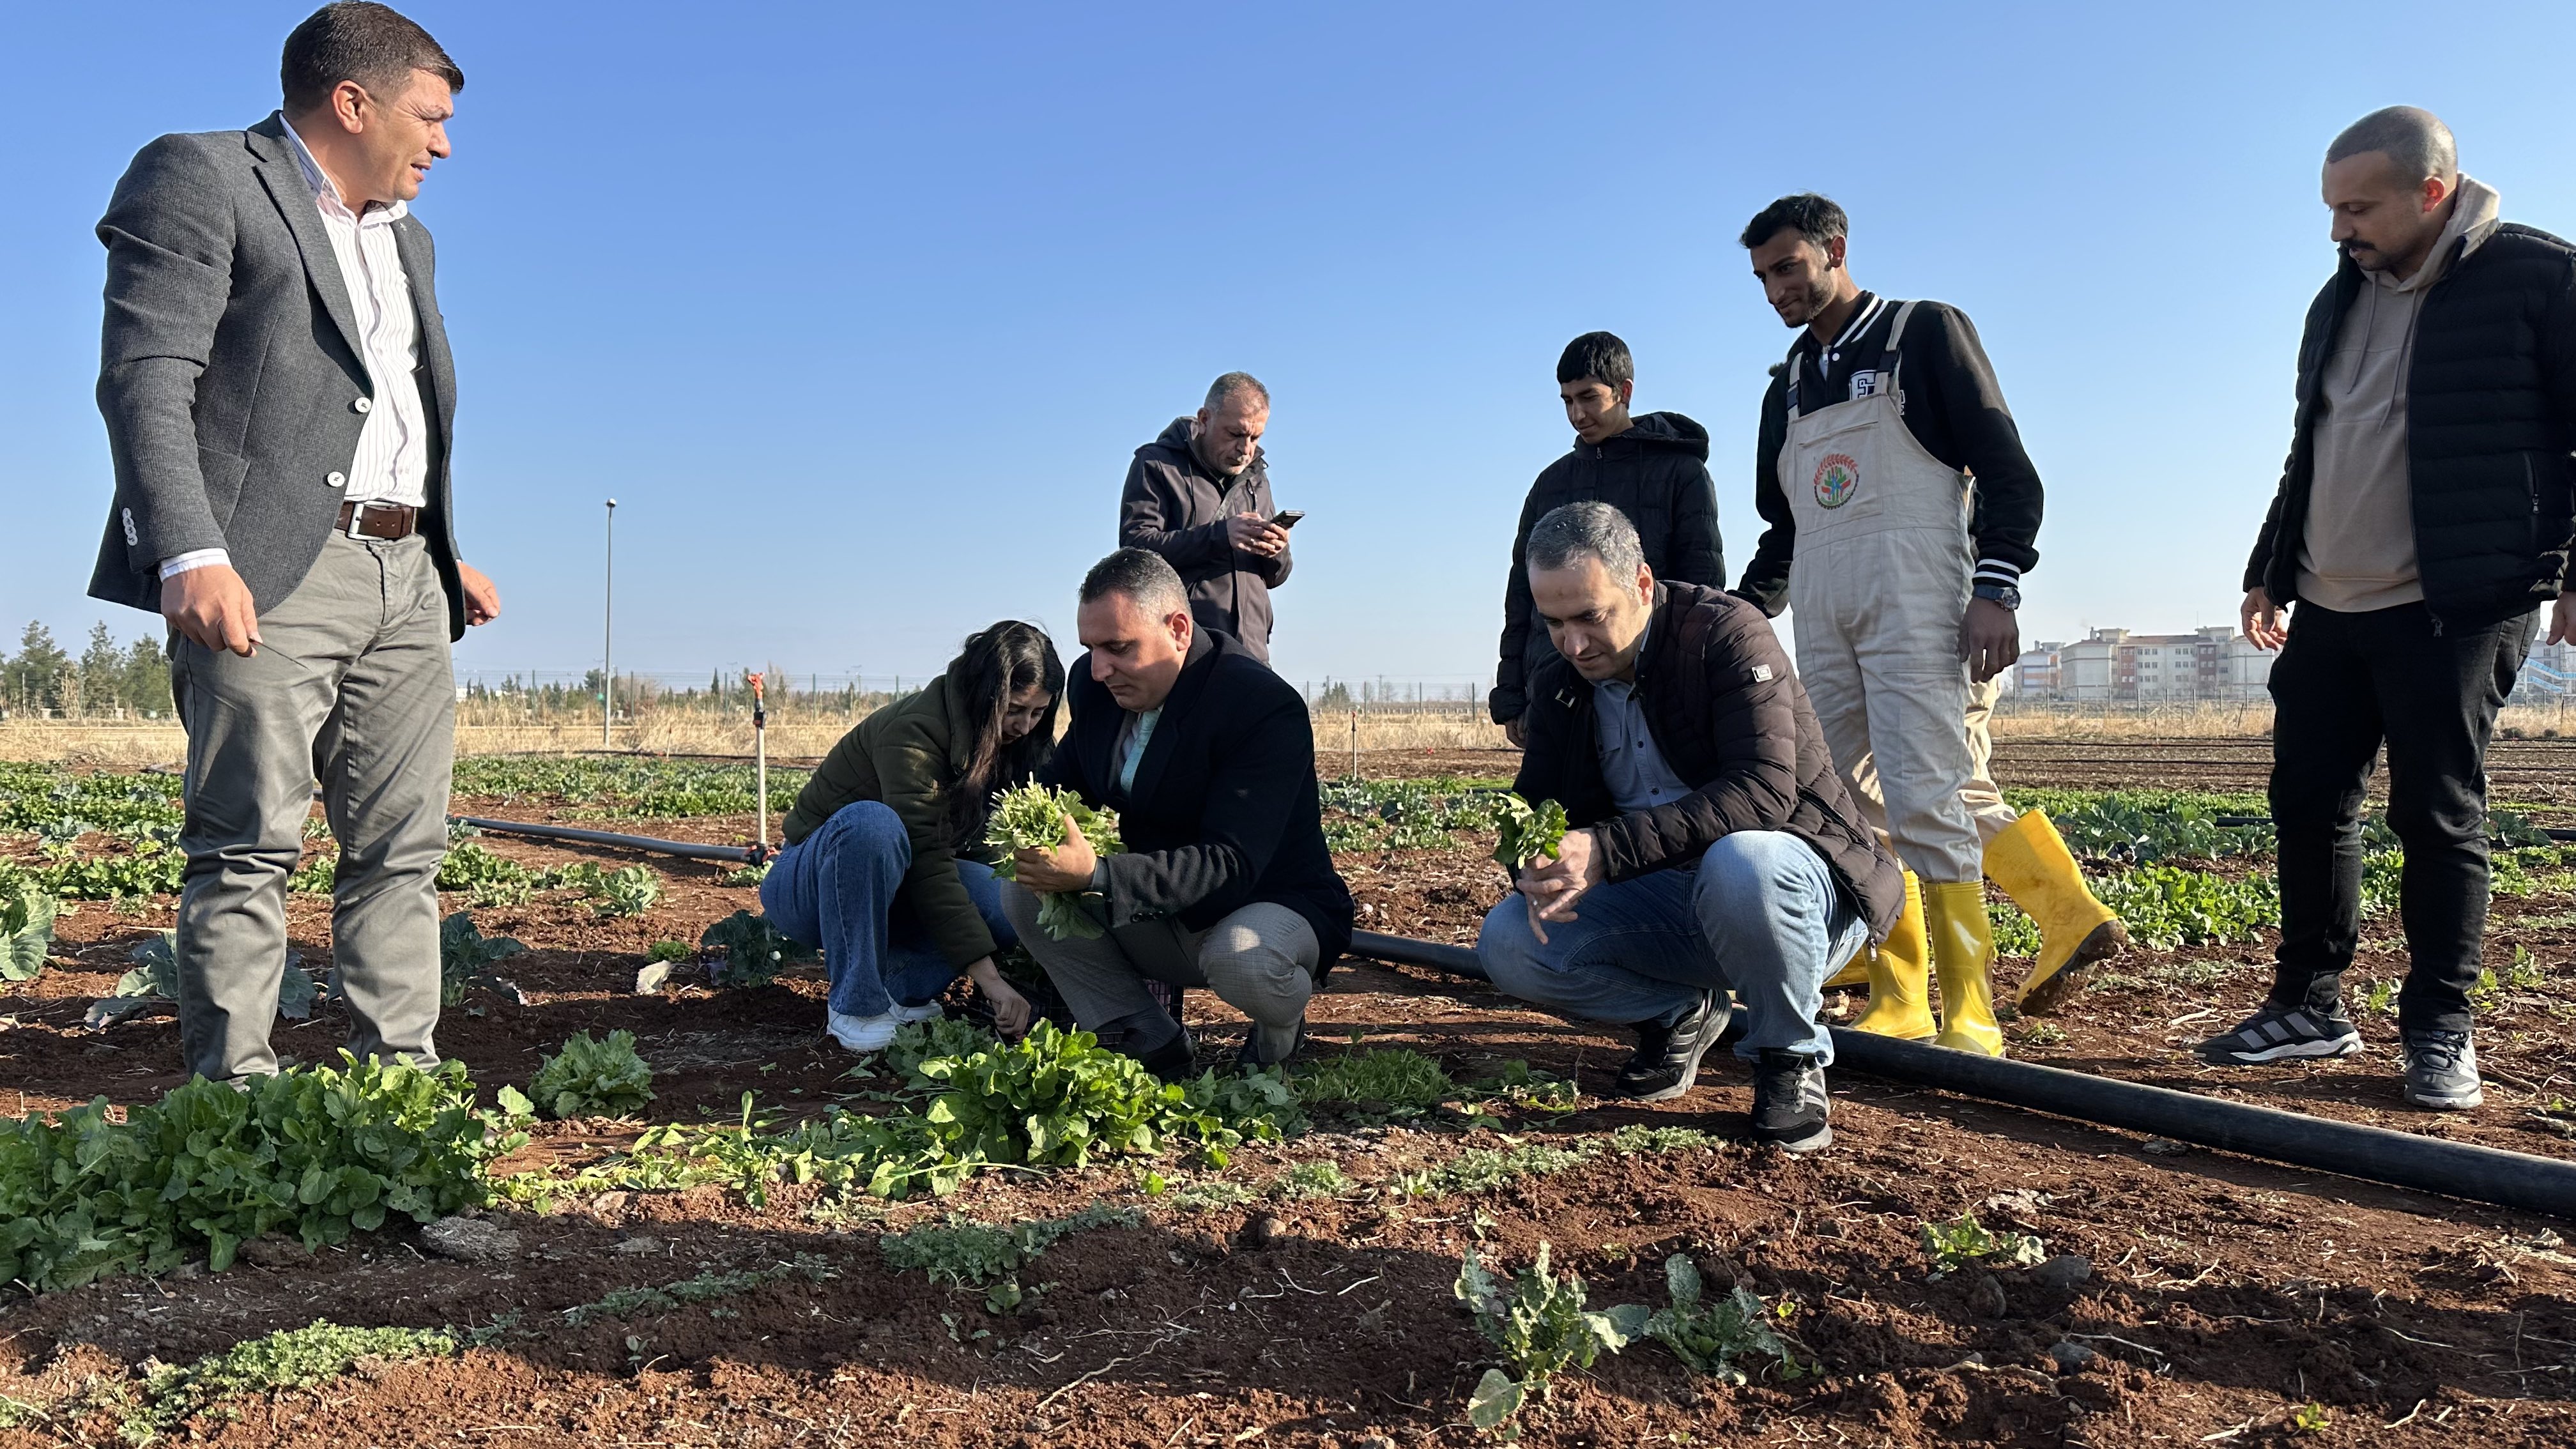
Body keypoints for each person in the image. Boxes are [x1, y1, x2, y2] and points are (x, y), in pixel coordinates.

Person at [88, 3, 499, 1084]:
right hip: (269, 570)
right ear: (352, 102)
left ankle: (396, 1093)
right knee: (246, 848)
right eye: (431, 116)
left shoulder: (408, 239)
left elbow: (388, 409)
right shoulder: (203, 176)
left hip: (406, 577)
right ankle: (237, 1103)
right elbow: (146, 376)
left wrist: (441, 548)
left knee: (404, 854)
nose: (444, 143)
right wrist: (188, 550)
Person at [2214, 107, 2576, 1111]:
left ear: (2433, 193)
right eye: (2332, 209)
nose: (2340, 231)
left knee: (2436, 811)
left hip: (2458, 599)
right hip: (2331, 599)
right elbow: (2316, 443)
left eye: (2358, 208)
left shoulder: (2542, 279)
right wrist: (2270, 564)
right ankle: (2310, 1005)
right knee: (2309, 803)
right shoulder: (2339, 298)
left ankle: (2440, 1029)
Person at [1732, 193, 2124, 1056]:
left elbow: (2012, 476)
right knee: (1843, 801)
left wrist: (1997, 587)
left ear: (1836, 249)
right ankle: (1902, 995)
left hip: (1918, 597)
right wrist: (1742, 616)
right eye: (1762, 277)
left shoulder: (1924, 334)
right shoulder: (1788, 387)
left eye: (1788, 268)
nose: (1775, 291)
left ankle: (1972, 1012)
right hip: (1826, 610)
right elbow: (1785, 530)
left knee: (1928, 796)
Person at [1475, 503, 1905, 1153]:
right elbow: (1536, 804)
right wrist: (1535, 863)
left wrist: (1604, 850)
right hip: (1676, 904)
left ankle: (1790, 1059)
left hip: (1799, 899)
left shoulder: (1726, 635)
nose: (1573, 644)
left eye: (1591, 617)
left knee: (1743, 862)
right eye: (1555, 622)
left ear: (1642, 586)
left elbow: (1764, 792)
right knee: (1509, 940)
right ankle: (1677, 1011)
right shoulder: (1561, 682)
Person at [1000, 549, 1355, 1076]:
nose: (1099, 669)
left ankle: (1279, 1032)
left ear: (1179, 630)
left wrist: (1096, 873)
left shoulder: (1257, 705)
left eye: (1119, 648)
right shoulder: (1096, 689)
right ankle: (1146, 1035)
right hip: (1164, 910)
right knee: (1025, 891)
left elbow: (1230, 861)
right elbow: (1058, 784)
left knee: (1245, 960)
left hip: (1264, 904)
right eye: (1091, 648)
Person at [763, 622, 1061, 1052]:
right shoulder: (915, 732)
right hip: (810, 886)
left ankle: (899, 989)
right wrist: (991, 982)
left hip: (894, 884)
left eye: (1038, 713)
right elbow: (926, 860)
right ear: (984, 695)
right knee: (873, 826)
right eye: (1015, 709)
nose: (1025, 725)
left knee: (1009, 896)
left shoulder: (1013, 745)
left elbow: (988, 856)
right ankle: (856, 1006)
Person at [1492, 333, 1726, 743]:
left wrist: (1692, 677)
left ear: (1624, 392)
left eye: (1589, 397)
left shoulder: (1681, 474)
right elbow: (1522, 595)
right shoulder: (1550, 484)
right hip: (1558, 685)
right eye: (1567, 401)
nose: (1577, 414)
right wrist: (1512, 692)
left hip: (1652, 682)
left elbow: (1701, 585)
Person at [1119, 373, 1294, 663]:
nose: (1246, 449)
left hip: (1253, 654)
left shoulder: (1257, 478)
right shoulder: (1156, 464)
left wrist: (1277, 550)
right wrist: (1221, 536)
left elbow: (1276, 577)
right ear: (1204, 419)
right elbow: (1135, 551)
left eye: (1256, 437)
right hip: (1184, 654)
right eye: (1236, 434)